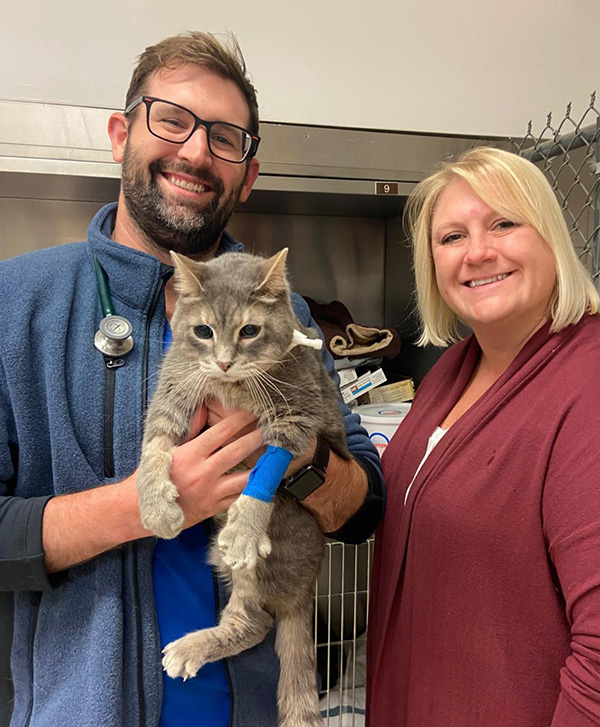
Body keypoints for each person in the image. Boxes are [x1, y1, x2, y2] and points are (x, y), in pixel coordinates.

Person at [0, 32, 384, 727]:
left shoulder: (284, 312)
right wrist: (137, 504)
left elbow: (364, 506)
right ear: (121, 133)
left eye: (225, 137)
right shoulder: (15, 303)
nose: (197, 151)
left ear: (249, 173)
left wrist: (295, 458)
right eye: (172, 119)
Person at [366, 146, 600, 727]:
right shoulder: (452, 369)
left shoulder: (587, 381)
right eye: (451, 237)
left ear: (549, 237)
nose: (478, 252)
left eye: (503, 223)